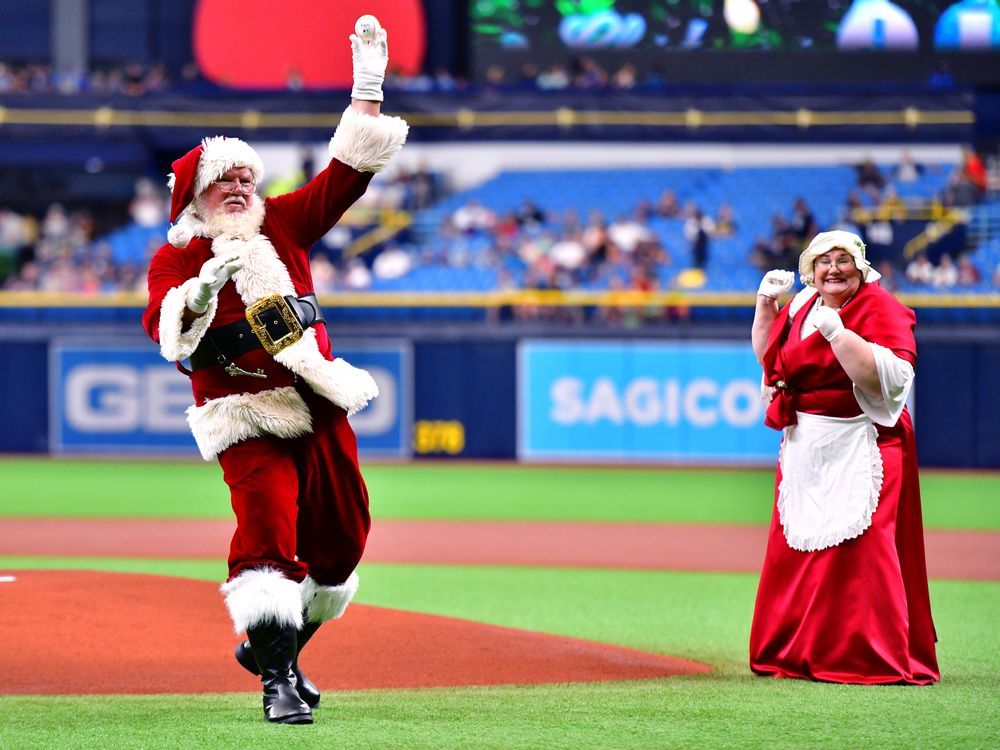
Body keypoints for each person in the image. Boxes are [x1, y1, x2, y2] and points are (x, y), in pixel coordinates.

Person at [140, 17, 407, 724]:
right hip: (245, 416)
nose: (237, 186)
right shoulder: (177, 259)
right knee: (266, 540)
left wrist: (368, 94)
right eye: (222, 179)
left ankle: (274, 646)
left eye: (245, 178)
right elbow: (169, 333)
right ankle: (278, 680)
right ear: (194, 194)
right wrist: (197, 296)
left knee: (345, 544)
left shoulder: (280, 225)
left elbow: (345, 178)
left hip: (316, 407)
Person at [748, 229, 939, 685]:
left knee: (864, 550)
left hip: (866, 439)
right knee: (796, 550)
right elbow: (771, 359)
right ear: (810, 270)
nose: (833, 269)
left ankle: (866, 656)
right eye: (823, 262)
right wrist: (764, 308)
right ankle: (793, 651)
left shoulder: (881, 308)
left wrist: (837, 330)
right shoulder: (799, 306)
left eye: (843, 260)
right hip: (807, 444)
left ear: (860, 265)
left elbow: (885, 380)